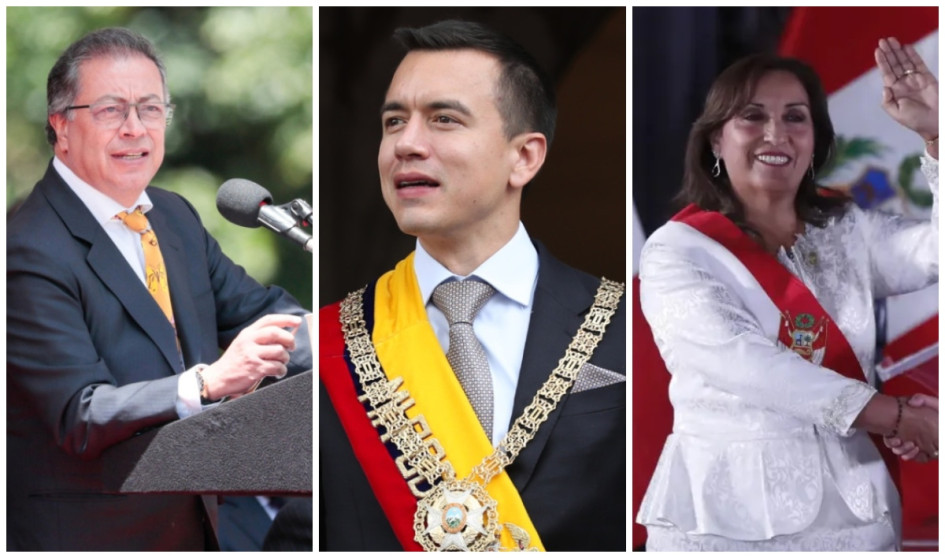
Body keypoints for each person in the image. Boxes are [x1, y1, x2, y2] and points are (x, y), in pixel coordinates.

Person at [319, 20, 626, 551]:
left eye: (443, 119)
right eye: (394, 122)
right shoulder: (328, 343)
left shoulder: (629, 324)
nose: (406, 144)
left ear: (524, 156)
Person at [7, 27, 312, 551]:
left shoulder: (172, 216)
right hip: (92, 537)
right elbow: (80, 413)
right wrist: (208, 383)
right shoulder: (26, 246)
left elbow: (260, 314)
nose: (135, 129)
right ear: (60, 125)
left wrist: (363, 333)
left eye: (151, 109)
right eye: (110, 110)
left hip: (197, 524)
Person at [635, 37, 938, 551]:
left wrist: (936, 135)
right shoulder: (679, 250)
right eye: (752, 116)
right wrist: (898, 415)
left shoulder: (848, 228)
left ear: (814, 138)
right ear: (715, 140)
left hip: (858, 513)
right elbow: (749, 366)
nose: (776, 133)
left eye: (796, 117)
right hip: (730, 519)